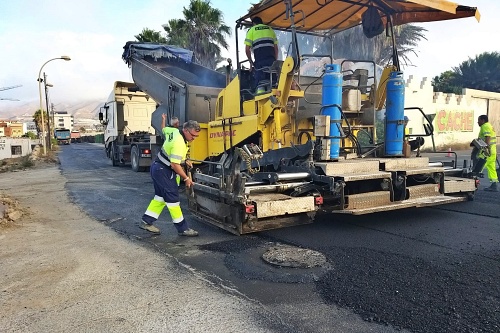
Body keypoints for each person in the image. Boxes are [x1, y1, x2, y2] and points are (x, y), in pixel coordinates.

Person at [140, 114, 200, 236]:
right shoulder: (179, 142)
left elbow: (163, 129)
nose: (194, 138)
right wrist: (186, 178)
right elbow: (174, 165)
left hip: (158, 167)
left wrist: (184, 160)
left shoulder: (173, 131)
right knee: (173, 200)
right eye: (192, 135)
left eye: (196, 136)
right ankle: (183, 229)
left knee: (160, 198)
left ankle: (147, 221)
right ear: (185, 130)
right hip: (164, 171)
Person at [244, 16, 278, 91]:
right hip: (271, 62)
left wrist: (251, 63)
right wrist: (275, 61)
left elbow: (247, 50)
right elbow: (276, 48)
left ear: (254, 24)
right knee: (272, 84)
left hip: (260, 63)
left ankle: (260, 99)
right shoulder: (270, 30)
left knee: (260, 84)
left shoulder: (252, 30)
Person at [476, 114, 498, 192]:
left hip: (487, 152)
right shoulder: (490, 126)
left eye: (478, 120)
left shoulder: (485, 126)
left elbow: (487, 137)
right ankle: (494, 184)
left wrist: (486, 148)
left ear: (483, 120)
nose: (477, 122)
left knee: (479, 167)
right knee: (491, 168)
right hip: (493, 151)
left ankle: (472, 184)